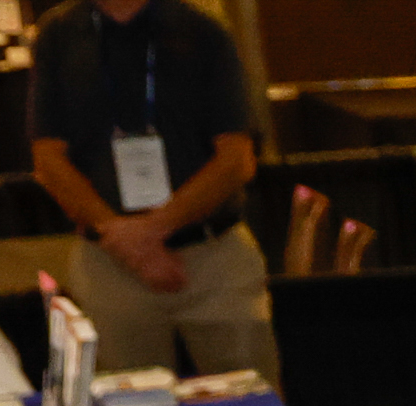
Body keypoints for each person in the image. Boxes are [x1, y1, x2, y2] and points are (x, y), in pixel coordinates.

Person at [26, 0, 276, 386]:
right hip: (109, 266)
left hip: (214, 262)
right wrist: (125, 241)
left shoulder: (202, 28)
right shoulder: (58, 34)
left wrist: (150, 231)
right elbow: (47, 159)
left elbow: (237, 159)